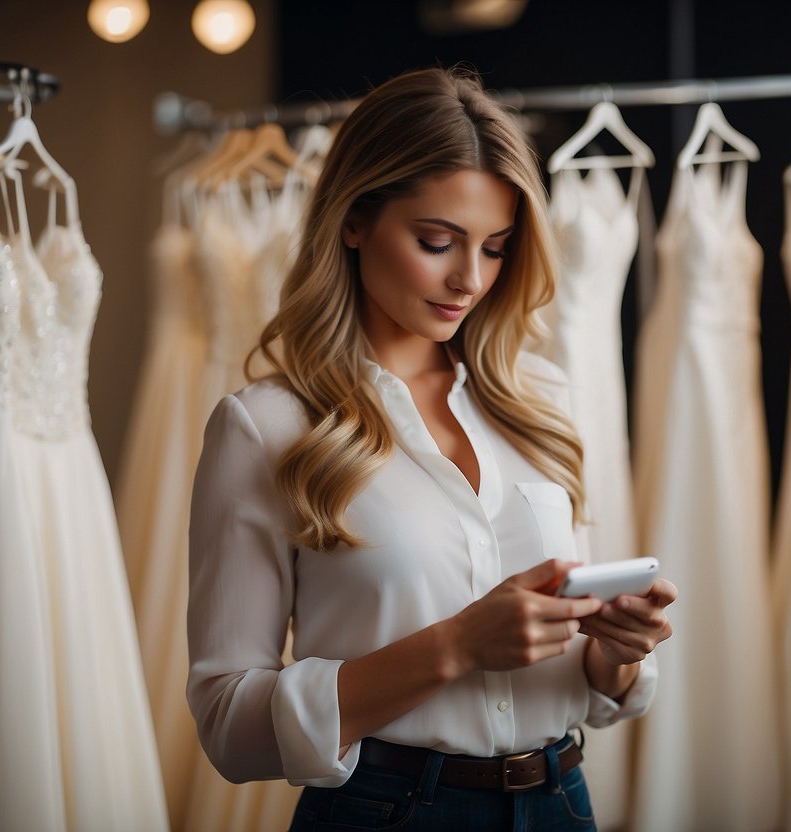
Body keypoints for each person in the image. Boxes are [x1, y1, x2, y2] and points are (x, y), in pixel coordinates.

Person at [187, 66, 677, 832]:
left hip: (561, 803)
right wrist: (454, 645)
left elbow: (578, 679)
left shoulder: (539, 397)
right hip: (389, 813)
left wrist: (616, 650)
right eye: (437, 241)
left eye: (494, 248)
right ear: (352, 219)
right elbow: (227, 724)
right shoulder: (266, 427)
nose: (469, 279)